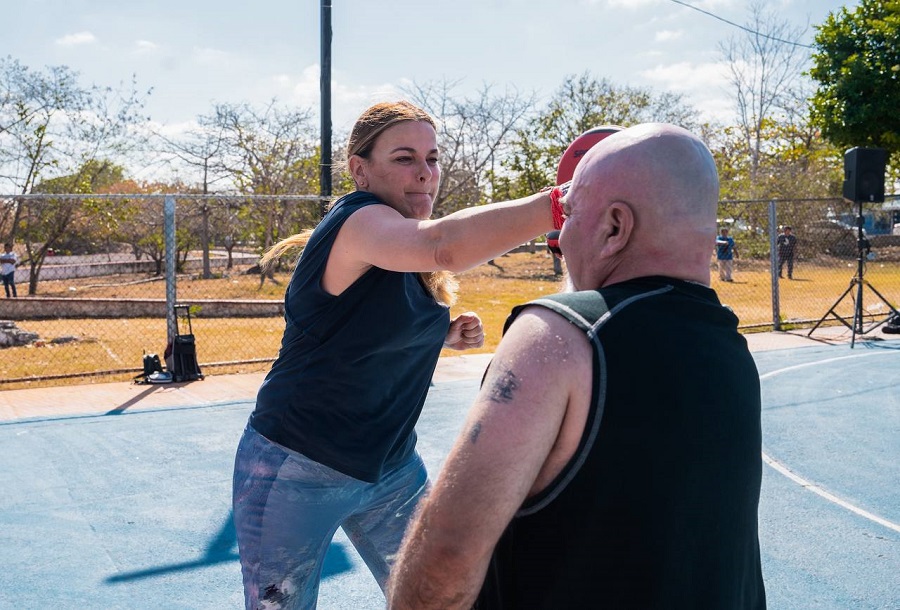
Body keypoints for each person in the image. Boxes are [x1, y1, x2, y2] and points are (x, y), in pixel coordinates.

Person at [388, 124, 767, 609]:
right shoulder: (732, 349)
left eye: (569, 215)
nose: (560, 235)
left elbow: (448, 551)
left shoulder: (557, 336)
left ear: (615, 227)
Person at [231, 100, 562, 610]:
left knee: (443, 599)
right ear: (360, 170)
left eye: (432, 158)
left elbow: (372, 328)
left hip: (391, 468)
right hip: (299, 463)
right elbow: (444, 246)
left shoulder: (401, 249)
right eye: (404, 158)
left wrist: (443, 335)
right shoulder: (359, 222)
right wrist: (562, 203)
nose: (425, 174)